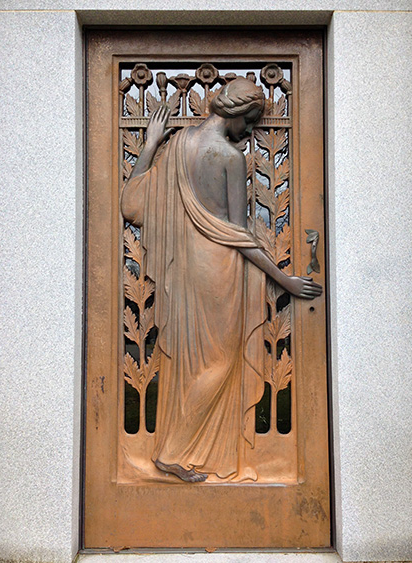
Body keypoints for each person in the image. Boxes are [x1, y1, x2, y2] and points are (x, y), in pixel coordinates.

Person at [121, 78, 322, 483]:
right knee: (220, 362)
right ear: (233, 112)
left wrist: (150, 145)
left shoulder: (175, 145)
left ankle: (189, 450)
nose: (249, 133)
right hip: (221, 271)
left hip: (189, 269)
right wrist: (285, 280)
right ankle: (172, 451)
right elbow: (240, 235)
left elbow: (131, 206)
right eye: (248, 122)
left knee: (195, 364)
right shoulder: (230, 157)